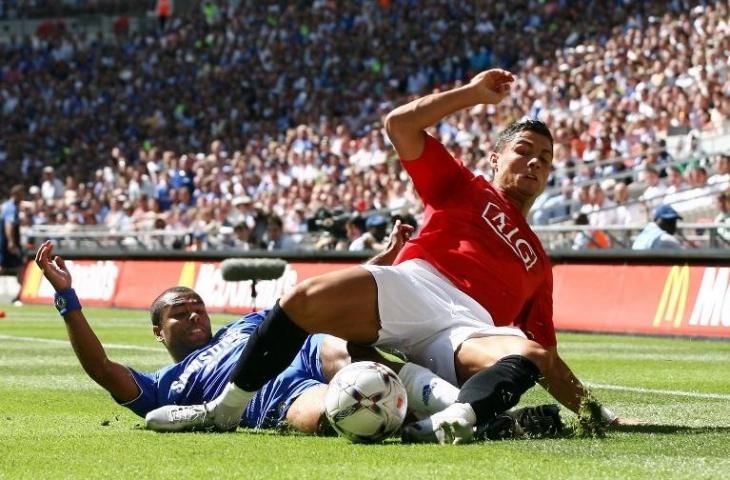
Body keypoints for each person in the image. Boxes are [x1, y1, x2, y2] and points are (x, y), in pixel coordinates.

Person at [151, 69, 620, 444]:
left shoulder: (538, 259)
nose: (535, 161)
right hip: (416, 284)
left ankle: (455, 419)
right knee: (304, 299)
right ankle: (226, 409)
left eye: (545, 156)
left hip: (467, 328)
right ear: (495, 159)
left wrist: (596, 413)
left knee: (529, 353)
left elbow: (549, 358)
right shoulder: (464, 185)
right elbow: (400, 124)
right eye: (524, 150)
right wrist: (473, 94)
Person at [33, 224, 472, 434]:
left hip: (304, 352)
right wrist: (66, 298)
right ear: (157, 331)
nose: (194, 315)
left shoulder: (244, 325)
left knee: (346, 349)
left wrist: (379, 262)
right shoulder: (165, 387)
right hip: (273, 396)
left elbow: (315, 299)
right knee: (337, 411)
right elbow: (102, 369)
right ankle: (445, 425)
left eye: (197, 307)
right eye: (179, 313)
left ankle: (463, 404)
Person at [1, 185, 25, 304]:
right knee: (20, 268)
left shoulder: (7, 206)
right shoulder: (11, 207)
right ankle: (21, 296)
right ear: (16, 194)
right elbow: (9, 225)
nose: (23, 197)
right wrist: (11, 242)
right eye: (21, 195)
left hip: (5, 242)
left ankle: (20, 295)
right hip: (8, 242)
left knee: (4, 267)